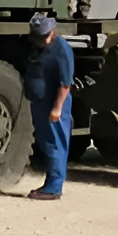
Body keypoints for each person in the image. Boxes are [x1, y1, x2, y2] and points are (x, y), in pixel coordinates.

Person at [23, 14, 74, 200]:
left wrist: (57, 109)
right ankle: (49, 184)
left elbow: (65, 84)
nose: (43, 40)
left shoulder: (62, 49)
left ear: (52, 31)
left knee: (55, 144)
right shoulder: (37, 45)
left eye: (45, 36)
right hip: (40, 103)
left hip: (54, 104)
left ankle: (54, 189)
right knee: (46, 143)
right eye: (39, 36)